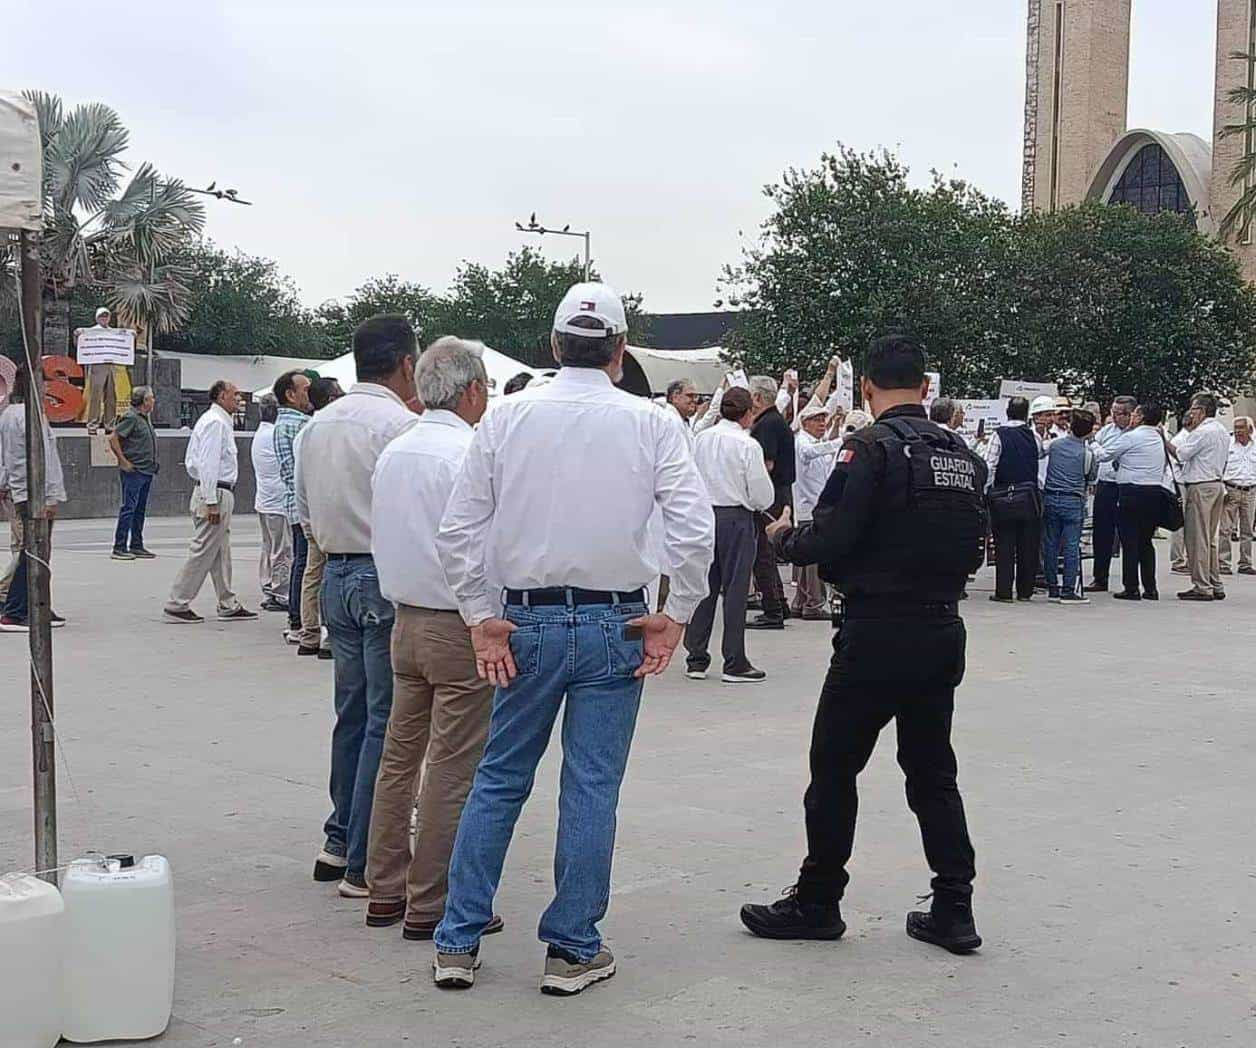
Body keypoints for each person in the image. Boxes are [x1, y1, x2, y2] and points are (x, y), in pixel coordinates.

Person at [430, 282, 713, 995]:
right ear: (620, 351)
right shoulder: (651, 423)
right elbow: (692, 527)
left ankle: (458, 940)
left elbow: (459, 527)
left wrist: (477, 616)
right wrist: (675, 613)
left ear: (555, 347)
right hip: (617, 618)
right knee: (591, 786)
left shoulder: (506, 417)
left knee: (498, 779)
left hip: (525, 620)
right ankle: (571, 947)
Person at [740, 334, 987, 955]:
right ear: (926, 388)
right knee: (933, 771)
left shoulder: (869, 447)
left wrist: (783, 539)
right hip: (941, 627)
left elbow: (832, 537)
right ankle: (955, 906)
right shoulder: (962, 454)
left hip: (876, 630)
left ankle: (819, 899)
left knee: (833, 769)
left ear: (868, 390)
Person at [364, 338, 498, 938]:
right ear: (471, 390)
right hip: (455, 621)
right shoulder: (468, 452)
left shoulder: (397, 449)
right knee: (451, 765)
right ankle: (430, 899)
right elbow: (481, 546)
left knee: (399, 758)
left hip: (405, 617)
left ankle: (384, 887)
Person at [296, 315, 419, 898]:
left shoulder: (316, 425)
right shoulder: (398, 425)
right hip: (380, 573)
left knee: (351, 713)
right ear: (406, 363)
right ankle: (366, 856)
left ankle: (339, 835)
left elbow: (302, 511)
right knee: (384, 720)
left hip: (335, 571)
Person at [684, 386, 773, 684]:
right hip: (736, 517)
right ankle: (734, 660)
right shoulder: (748, 445)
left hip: (705, 514)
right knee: (735, 590)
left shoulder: (702, 439)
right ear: (747, 413)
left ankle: (696, 657)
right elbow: (761, 493)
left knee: (704, 586)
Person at [164, 382, 257, 624]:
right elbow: (208, 464)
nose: (239, 398)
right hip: (215, 491)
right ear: (222, 395)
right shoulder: (215, 423)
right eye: (235, 394)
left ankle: (227, 602)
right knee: (203, 549)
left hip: (217, 491)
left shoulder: (216, 421)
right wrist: (211, 501)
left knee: (220, 550)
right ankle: (177, 602)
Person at [0, 368, 68, 632]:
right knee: (34, 552)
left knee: (36, 551)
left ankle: (37, 603)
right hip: (34, 493)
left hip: (24, 491)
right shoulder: (27, 416)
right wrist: (50, 496)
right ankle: (15, 611)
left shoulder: (10, 414)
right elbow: (42, 460)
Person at [1099, 402, 1171, 601]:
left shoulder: (1131, 437)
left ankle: (1131, 586)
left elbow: (1104, 455)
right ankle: (1150, 587)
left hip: (1131, 492)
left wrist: (1092, 442)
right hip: (1154, 492)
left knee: (1129, 540)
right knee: (1146, 541)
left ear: (1139, 417)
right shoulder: (1158, 437)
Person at [294, 377, 341, 659]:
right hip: (330, 516)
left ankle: (310, 634)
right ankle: (326, 635)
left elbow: (299, 481)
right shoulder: (327, 430)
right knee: (331, 575)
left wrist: (306, 518)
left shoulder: (309, 430)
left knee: (314, 575)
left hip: (315, 514)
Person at [1172, 394, 1232, 601]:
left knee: (1197, 538)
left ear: (1202, 411)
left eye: (1193, 409)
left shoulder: (1203, 431)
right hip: (1216, 484)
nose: (1191, 413)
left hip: (1200, 486)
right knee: (1209, 539)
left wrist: (1163, 440)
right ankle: (1215, 582)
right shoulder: (1222, 431)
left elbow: (1181, 454)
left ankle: (1202, 585)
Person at [985, 396, 1045, 602]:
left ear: (1007, 412)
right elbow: (1037, 458)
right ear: (1026, 414)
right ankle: (1025, 590)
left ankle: (1003, 591)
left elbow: (990, 464)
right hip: (1029, 495)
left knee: (1004, 544)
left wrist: (986, 491)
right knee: (1028, 544)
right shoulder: (1034, 436)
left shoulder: (998, 434)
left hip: (1004, 495)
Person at [746, 375, 795, 629]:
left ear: (756, 397)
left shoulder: (766, 425)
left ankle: (772, 610)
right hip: (781, 492)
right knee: (768, 551)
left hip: (771, 494)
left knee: (763, 553)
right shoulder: (775, 421)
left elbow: (766, 463)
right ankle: (779, 603)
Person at [1042, 410, 1105, 604]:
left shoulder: (1054, 445)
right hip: (1073, 500)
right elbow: (1092, 477)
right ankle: (1068, 589)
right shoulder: (1087, 454)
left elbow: (1039, 452)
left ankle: (1052, 587)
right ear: (1088, 432)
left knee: (1050, 544)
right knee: (1071, 546)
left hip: (1051, 497)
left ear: (1070, 426)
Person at [271, 370, 313, 642]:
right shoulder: (298, 426)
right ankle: (299, 619)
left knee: (302, 562)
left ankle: (297, 619)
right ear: (290, 394)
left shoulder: (287, 424)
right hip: (305, 505)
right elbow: (296, 471)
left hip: (295, 504)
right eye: (306, 389)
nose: (311, 394)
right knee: (306, 564)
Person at [791, 402, 839, 619]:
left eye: (823, 419)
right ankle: (814, 603)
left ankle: (802, 600)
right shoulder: (802, 442)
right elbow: (812, 453)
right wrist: (841, 440)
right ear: (804, 423)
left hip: (812, 506)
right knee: (813, 558)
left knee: (804, 559)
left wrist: (835, 432)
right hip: (808, 506)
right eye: (817, 420)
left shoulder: (815, 442)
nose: (822, 424)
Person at [1086, 396, 1135, 592]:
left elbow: (1102, 452)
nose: (1113, 417)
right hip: (1105, 485)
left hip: (1126, 486)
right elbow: (1093, 450)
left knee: (1128, 534)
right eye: (1112, 412)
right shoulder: (1107, 431)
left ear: (1130, 414)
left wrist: (1095, 445)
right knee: (1102, 533)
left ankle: (1130, 582)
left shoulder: (1136, 433)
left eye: (1118, 413)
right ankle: (1100, 577)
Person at [107, 385, 159, 561]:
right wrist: (123, 461)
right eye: (151, 398)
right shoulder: (131, 417)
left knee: (139, 509)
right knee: (129, 508)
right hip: (134, 470)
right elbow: (114, 438)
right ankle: (119, 546)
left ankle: (136, 544)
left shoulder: (144, 418)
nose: (154, 401)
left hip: (146, 470)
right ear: (144, 401)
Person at [250, 394, 291, 612]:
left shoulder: (261, 433)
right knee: (282, 549)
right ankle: (281, 591)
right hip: (277, 501)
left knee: (269, 547)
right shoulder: (275, 433)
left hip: (265, 500)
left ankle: (268, 585)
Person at [1220, 416, 1256, 575]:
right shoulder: (1227, 444)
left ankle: (1245, 563)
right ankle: (1223, 563)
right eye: (1236, 428)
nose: (1238, 431)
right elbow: (1219, 466)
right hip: (1231, 489)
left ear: (1250, 429)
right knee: (1225, 529)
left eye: (1241, 428)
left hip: (1250, 490)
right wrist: (1222, 489)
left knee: (1247, 530)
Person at [83, 306, 119, 434]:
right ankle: (92, 425)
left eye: (106, 316)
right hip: (97, 366)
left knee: (111, 397)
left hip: (110, 365)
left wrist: (131, 335)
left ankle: (110, 425)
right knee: (95, 397)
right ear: (97, 318)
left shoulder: (114, 332)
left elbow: (123, 344)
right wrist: (77, 334)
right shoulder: (91, 331)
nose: (104, 318)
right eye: (101, 316)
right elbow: (81, 345)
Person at [664, 378, 700, 451]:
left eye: (696, 396)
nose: (694, 400)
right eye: (690, 396)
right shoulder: (668, 420)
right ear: (675, 396)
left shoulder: (681, 420)